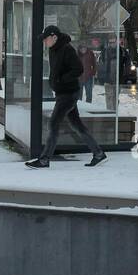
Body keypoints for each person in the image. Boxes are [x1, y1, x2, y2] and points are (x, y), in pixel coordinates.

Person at [26, 25, 107, 169]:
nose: (44, 41)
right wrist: (55, 82)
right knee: (77, 125)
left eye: (46, 38)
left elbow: (78, 69)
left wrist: (61, 80)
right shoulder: (53, 49)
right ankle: (99, 153)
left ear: (54, 37)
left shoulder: (67, 49)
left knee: (53, 124)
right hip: (62, 92)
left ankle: (44, 160)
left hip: (68, 93)